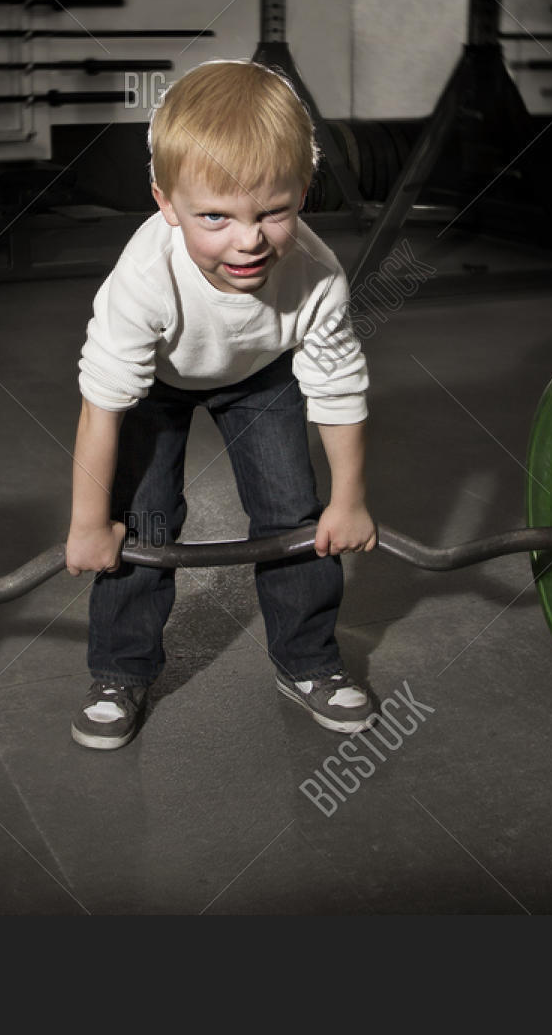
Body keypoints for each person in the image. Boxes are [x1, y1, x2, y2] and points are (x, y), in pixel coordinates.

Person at [65, 59, 376, 750]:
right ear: (165, 202)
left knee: (295, 516)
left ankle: (308, 661)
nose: (248, 239)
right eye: (215, 216)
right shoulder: (144, 278)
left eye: (273, 212)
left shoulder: (317, 275)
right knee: (142, 524)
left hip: (261, 374)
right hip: (157, 383)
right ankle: (119, 671)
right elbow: (102, 405)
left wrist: (349, 501)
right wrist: (88, 524)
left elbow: (339, 389)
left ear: (303, 192)